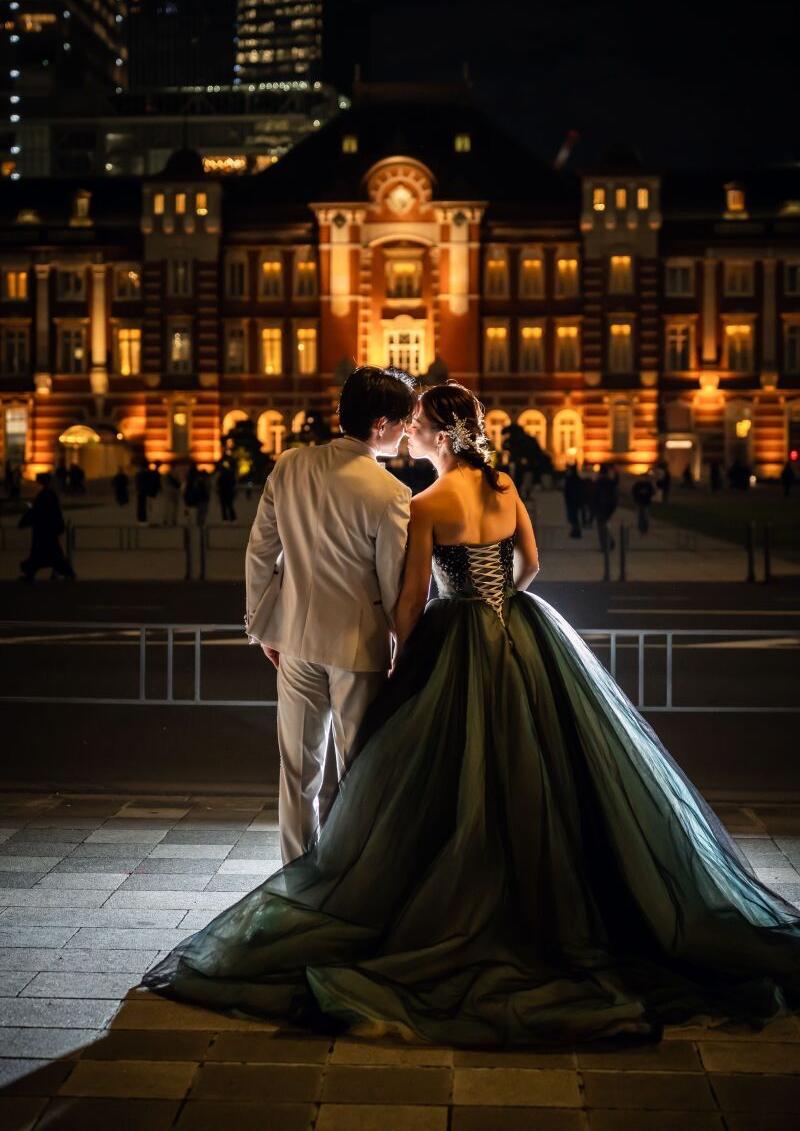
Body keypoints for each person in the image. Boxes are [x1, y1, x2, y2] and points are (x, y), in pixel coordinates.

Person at [143, 379, 800, 1046]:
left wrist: (411, 644)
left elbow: (407, 601)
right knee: (537, 767)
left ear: (438, 433)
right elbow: (532, 563)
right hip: (518, 627)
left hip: (447, 633)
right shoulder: (505, 486)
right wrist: (498, 604)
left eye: (420, 424)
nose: (411, 433)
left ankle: (362, 883)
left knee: (411, 774)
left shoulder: (425, 501)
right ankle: (540, 900)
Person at [242, 366, 415, 863]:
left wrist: (262, 627)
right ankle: (354, 869)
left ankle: (297, 873)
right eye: (403, 422)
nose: (405, 433)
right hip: (358, 647)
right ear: (381, 425)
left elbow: (260, 553)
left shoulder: (290, 465)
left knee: (296, 770)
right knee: (358, 766)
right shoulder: (389, 494)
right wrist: (399, 650)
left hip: (294, 638)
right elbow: (392, 583)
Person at [18, 473, 76, 582]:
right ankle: (31, 573)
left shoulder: (46, 494)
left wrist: (27, 519)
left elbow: (40, 511)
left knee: (47, 554)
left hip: (45, 530)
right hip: (47, 529)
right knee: (49, 554)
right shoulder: (48, 493)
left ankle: (31, 573)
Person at [592, 462, 617, 553]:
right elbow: (614, 496)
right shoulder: (610, 482)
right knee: (604, 525)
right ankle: (609, 542)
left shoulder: (598, 482)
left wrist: (593, 508)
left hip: (600, 508)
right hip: (608, 508)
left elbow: (594, 496)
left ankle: (605, 545)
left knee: (601, 527)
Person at [563, 462, 583, 538]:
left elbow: (567, 491)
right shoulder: (577, 479)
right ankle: (575, 531)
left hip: (572, 501)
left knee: (573, 517)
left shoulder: (570, 479)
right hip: (575, 501)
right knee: (574, 517)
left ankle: (576, 532)